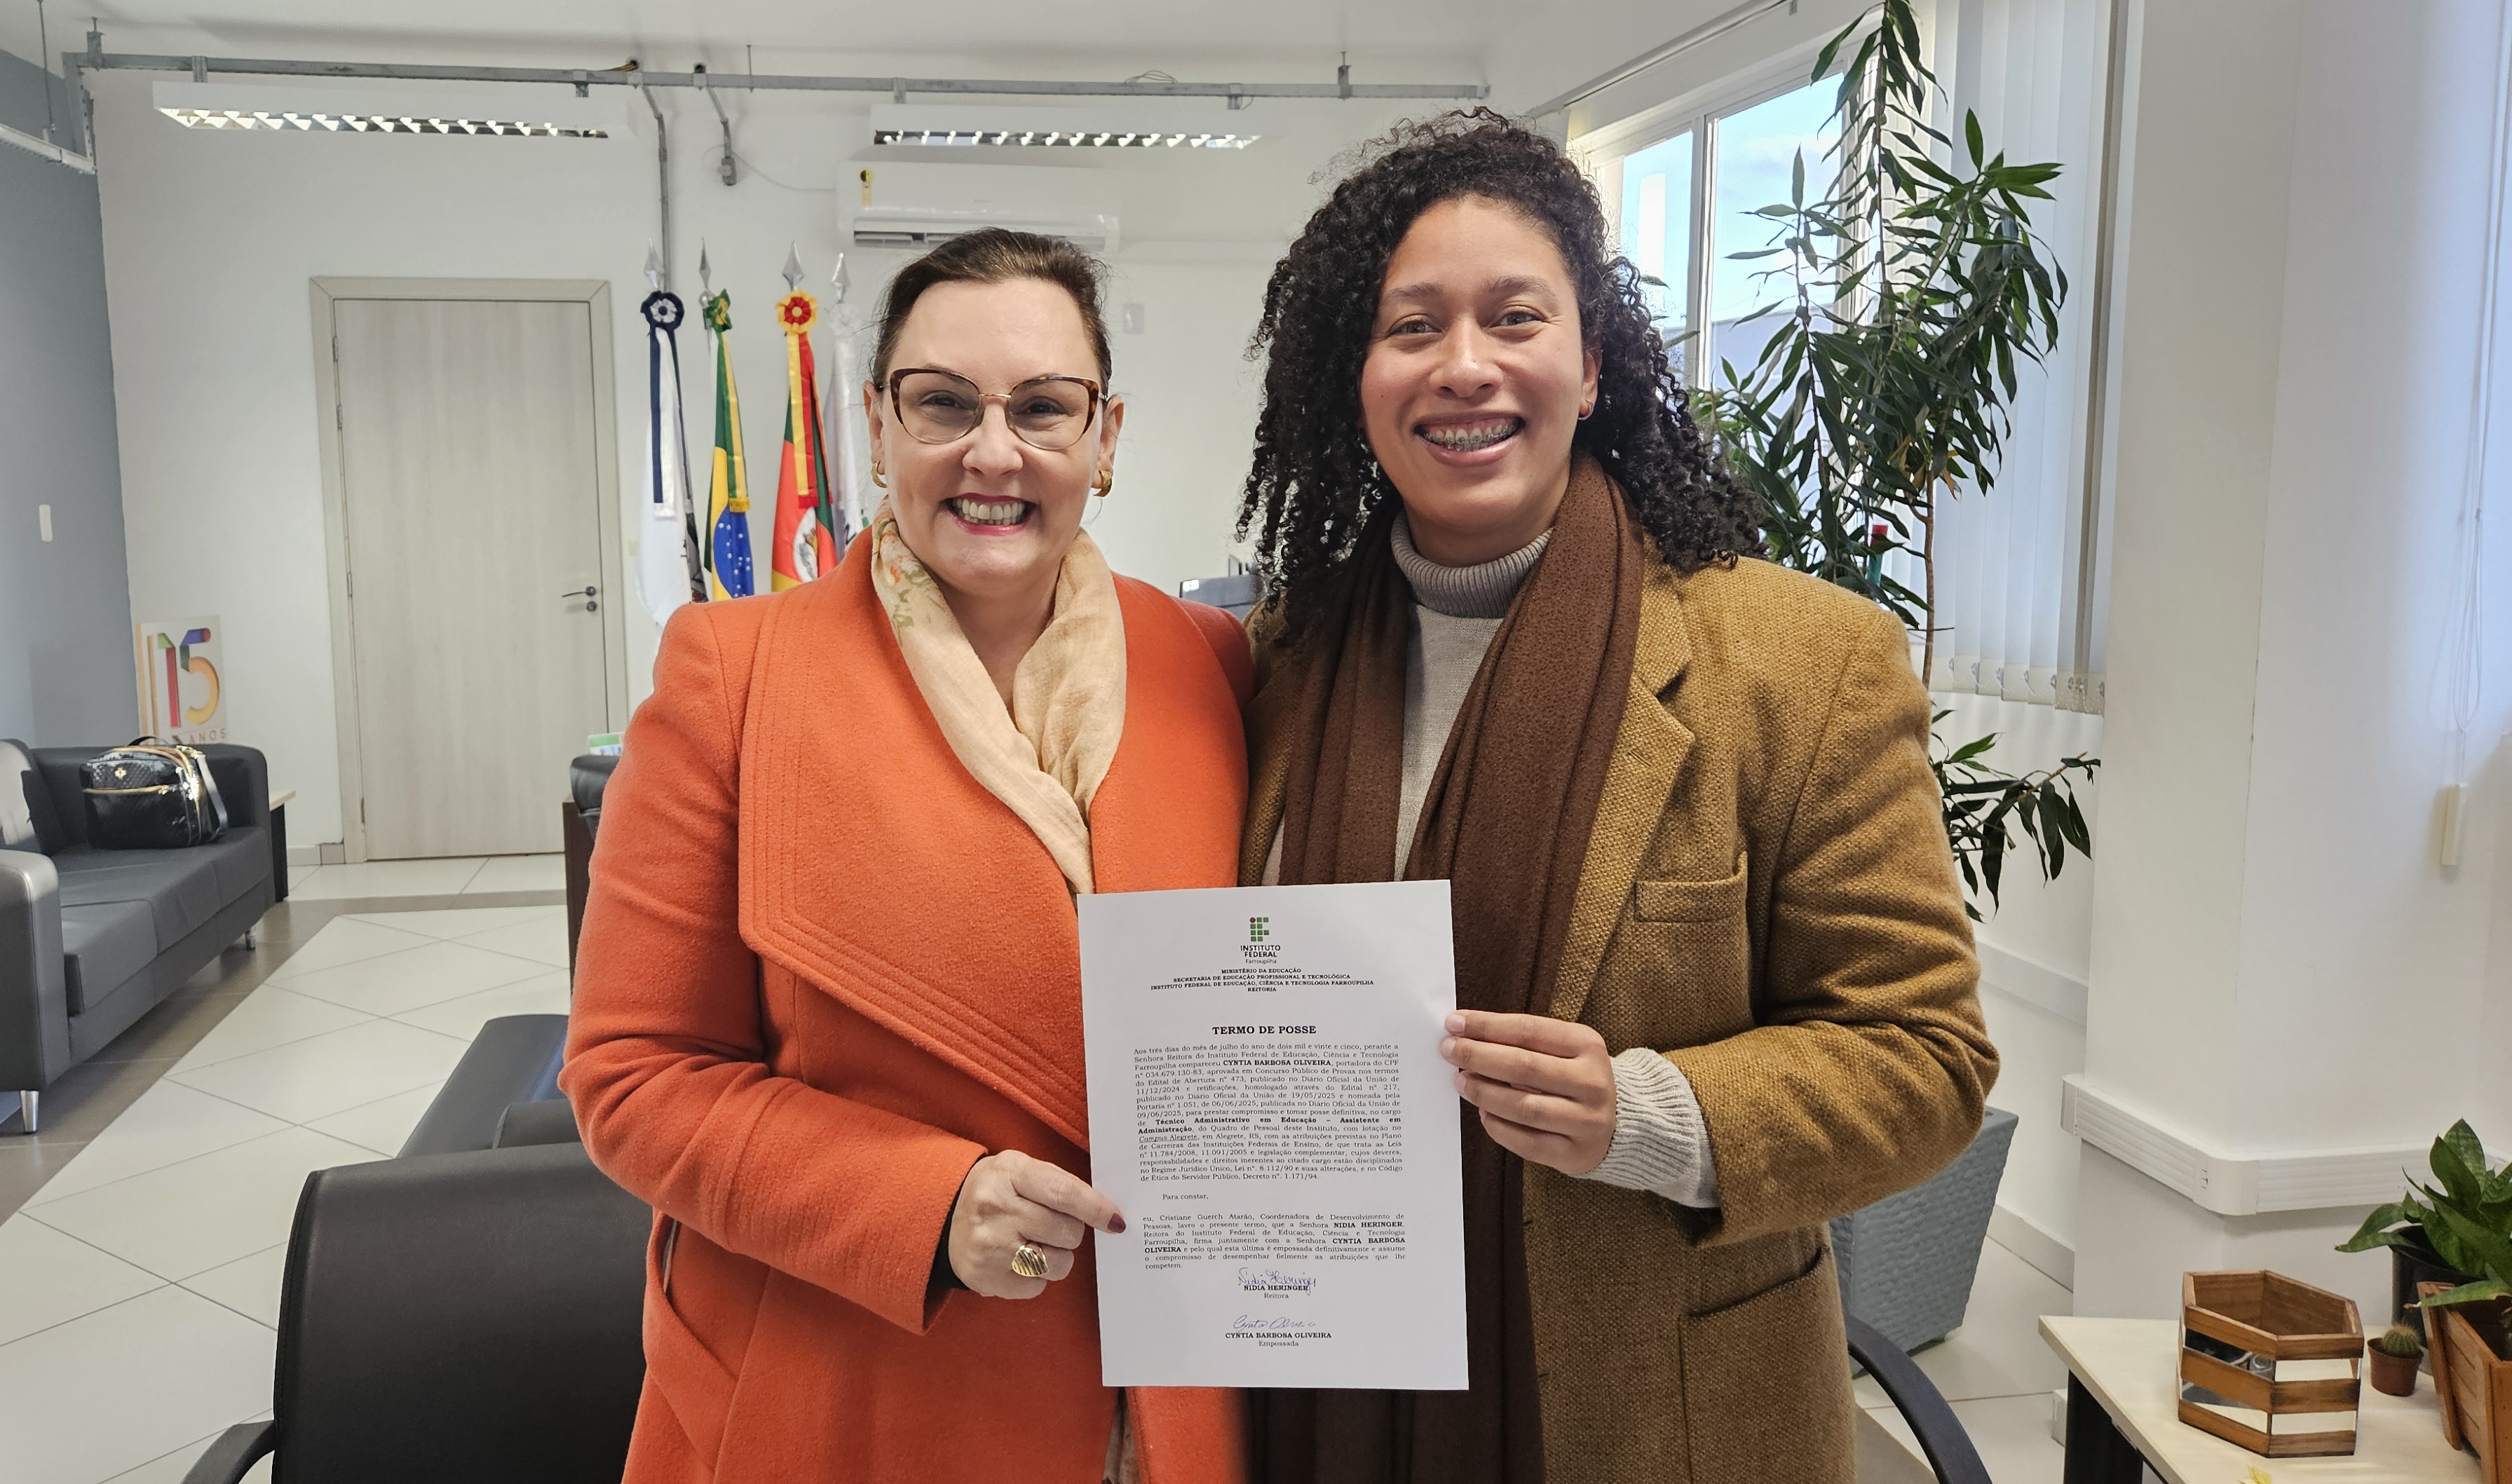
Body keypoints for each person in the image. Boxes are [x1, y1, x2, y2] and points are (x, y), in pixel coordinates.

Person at [1234, 109, 1998, 1483]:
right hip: (1319, 1382)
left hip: (1654, 1417)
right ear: (1356, 380)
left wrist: (1650, 1115)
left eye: (1513, 317)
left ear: (1590, 366)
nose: (1463, 365)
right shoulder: (1275, 664)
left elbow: (1924, 1058)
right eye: (1411, 327)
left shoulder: (1799, 662)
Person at [564, 228, 1254, 1484]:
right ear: (878, 426)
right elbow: (631, 1077)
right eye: (943, 404)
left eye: (1043, 408)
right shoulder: (734, 676)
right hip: (863, 1381)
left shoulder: (1207, 662)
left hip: (1161, 1390)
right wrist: (921, 1205)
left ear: (1105, 439)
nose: (994, 452)